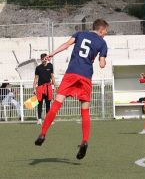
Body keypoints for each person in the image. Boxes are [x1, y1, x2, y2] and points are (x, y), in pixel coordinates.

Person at [34, 19, 109, 160]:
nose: (106, 34)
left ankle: (43, 133)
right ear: (101, 29)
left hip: (71, 73)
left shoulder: (80, 34)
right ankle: (84, 141)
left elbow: (66, 45)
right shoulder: (102, 43)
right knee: (85, 110)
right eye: (105, 32)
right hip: (86, 76)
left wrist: (52, 53)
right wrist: (102, 60)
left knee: (56, 104)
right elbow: (102, 64)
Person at [33, 53, 55, 125]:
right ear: (41, 59)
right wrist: (34, 88)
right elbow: (36, 78)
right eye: (42, 59)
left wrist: (53, 86)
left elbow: (52, 77)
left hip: (48, 87)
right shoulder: (38, 68)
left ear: (47, 58)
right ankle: (39, 119)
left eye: (45, 58)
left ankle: (48, 119)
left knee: (48, 103)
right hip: (40, 87)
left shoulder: (50, 66)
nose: (44, 60)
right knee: (40, 103)